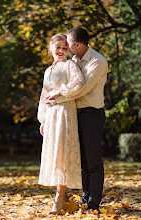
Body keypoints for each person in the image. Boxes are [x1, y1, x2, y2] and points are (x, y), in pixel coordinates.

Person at [45, 27, 108, 213]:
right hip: (74, 114)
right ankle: (85, 198)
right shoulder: (74, 60)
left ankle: (93, 204)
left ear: (77, 44)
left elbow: (81, 89)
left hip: (91, 114)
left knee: (93, 161)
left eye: (69, 44)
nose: (66, 48)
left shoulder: (98, 61)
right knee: (81, 161)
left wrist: (56, 94)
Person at [37, 33, 85, 214]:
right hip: (52, 116)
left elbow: (79, 83)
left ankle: (59, 196)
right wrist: (43, 119)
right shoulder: (48, 70)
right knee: (55, 154)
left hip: (65, 113)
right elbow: (43, 95)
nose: (61, 51)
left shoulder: (69, 65)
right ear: (50, 47)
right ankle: (60, 195)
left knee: (63, 153)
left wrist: (59, 93)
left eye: (65, 48)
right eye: (58, 47)